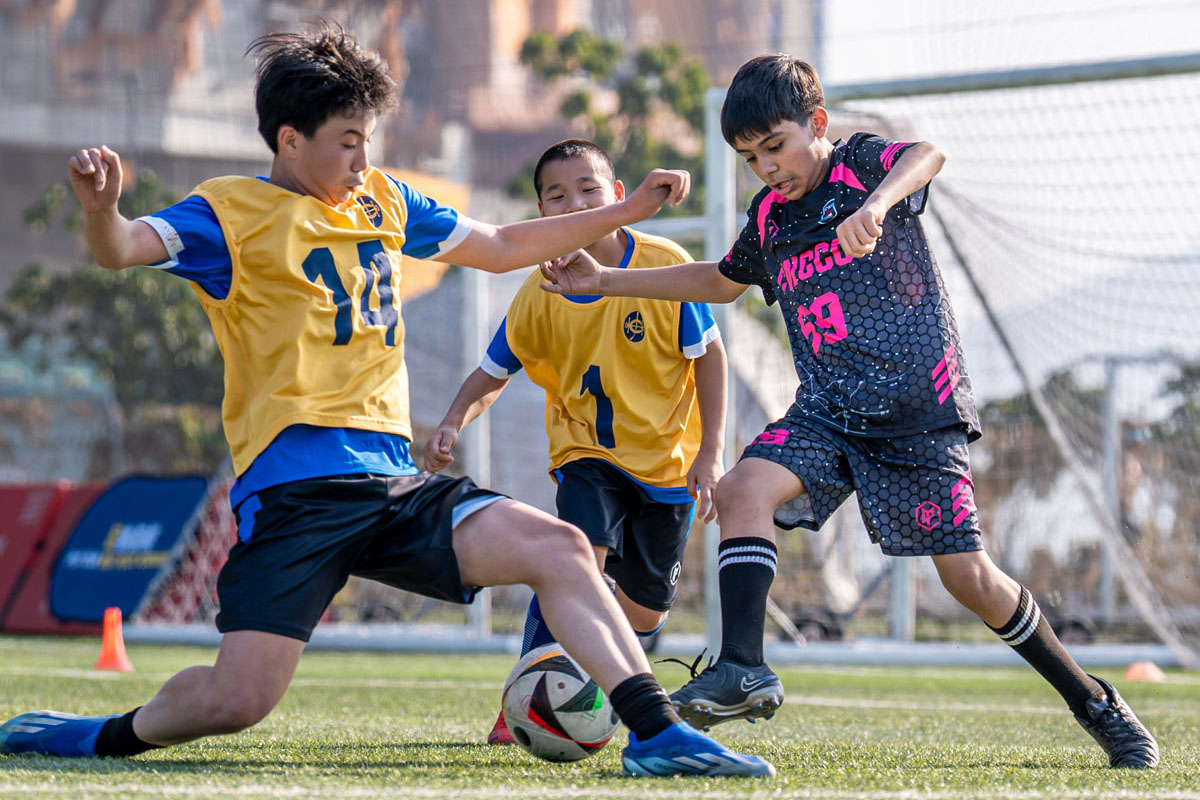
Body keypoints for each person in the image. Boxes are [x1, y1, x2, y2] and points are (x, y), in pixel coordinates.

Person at [0, 24, 775, 779]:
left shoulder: (385, 199)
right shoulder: (225, 213)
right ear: (290, 140)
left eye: (368, 140)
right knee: (237, 700)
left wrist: (626, 212)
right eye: (348, 142)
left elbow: (501, 246)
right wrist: (101, 210)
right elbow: (122, 248)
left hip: (393, 483)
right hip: (297, 497)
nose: (364, 159)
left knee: (561, 549)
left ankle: (658, 734)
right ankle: (92, 735)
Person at [539, 53, 1159, 769]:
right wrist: (606, 279)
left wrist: (877, 205)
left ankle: (1095, 703)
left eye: (776, 146)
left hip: (916, 412)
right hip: (827, 411)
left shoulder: (861, 165)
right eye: (750, 157)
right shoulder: (770, 216)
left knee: (969, 578)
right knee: (742, 490)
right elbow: (722, 280)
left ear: (818, 124)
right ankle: (742, 666)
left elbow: (928, 154)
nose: (766, 167)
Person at [423, 139, 728, 745]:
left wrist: (710, 452)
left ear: (618, 196)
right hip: (586, 454)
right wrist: (453, 419)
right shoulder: (537, 294)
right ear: (541, 213)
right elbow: (492, 373)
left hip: (666, 467)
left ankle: (616, 687)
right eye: (558, 196)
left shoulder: (662, 263)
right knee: (573, 557)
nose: (576, 204)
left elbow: (709, 357)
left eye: (589, 189)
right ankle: (527, 698)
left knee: (644, 613)